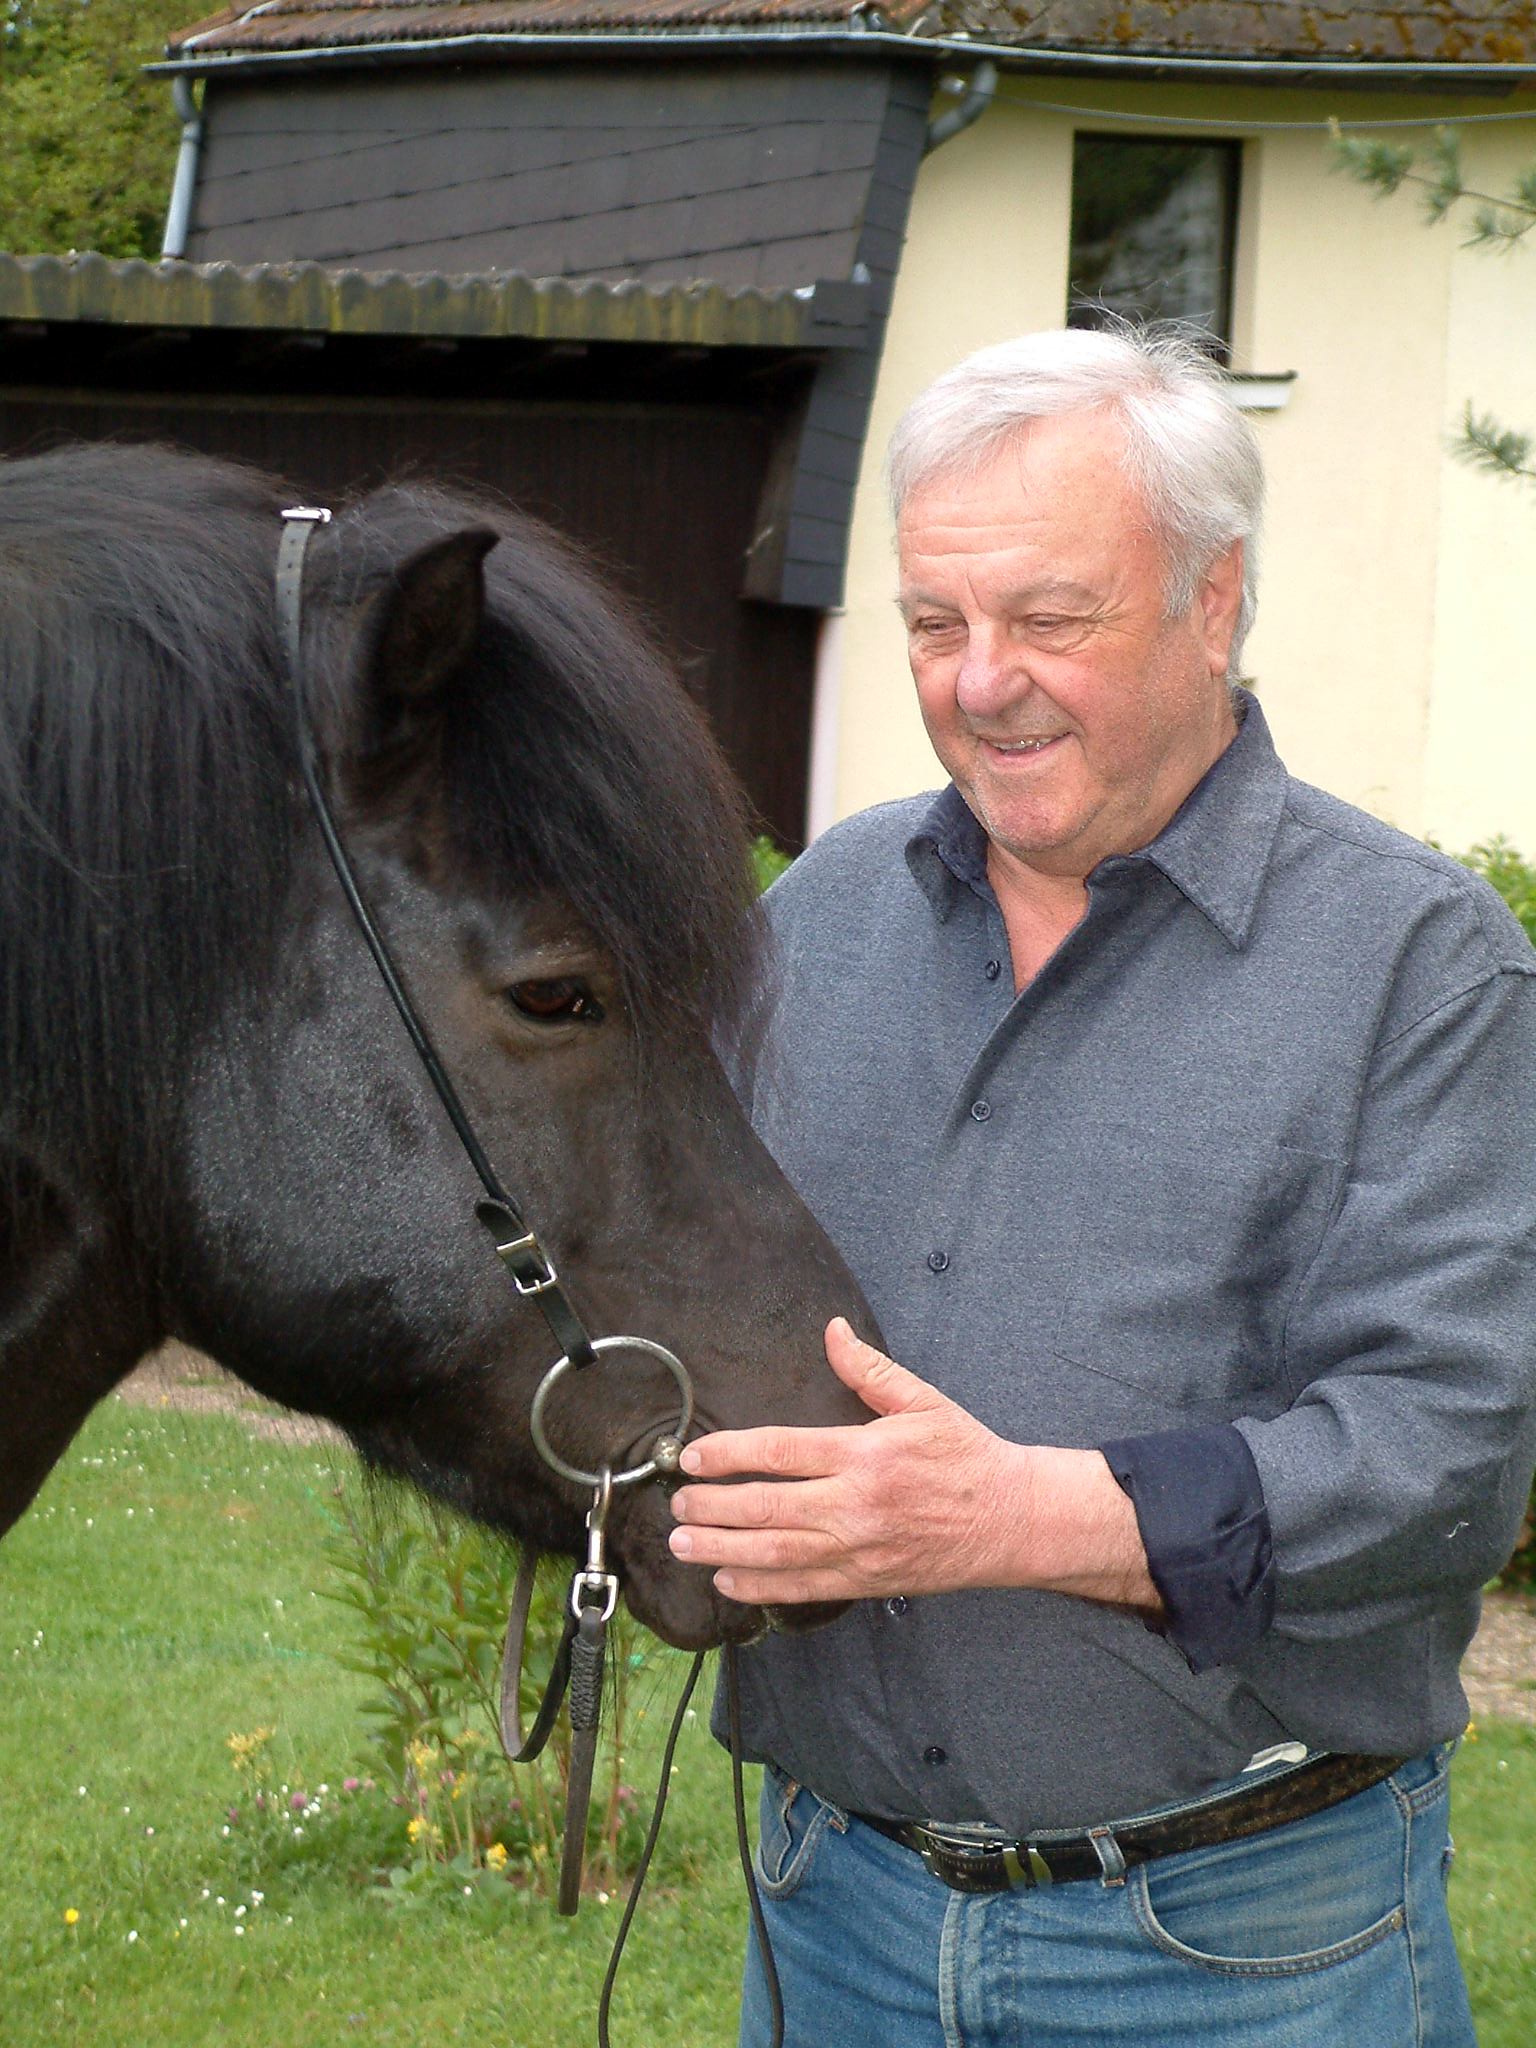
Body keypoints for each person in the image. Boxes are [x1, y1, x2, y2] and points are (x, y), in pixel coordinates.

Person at [666, 325, 1536, 2046]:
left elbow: (1449, 1453)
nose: (980, 679)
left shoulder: (1417, 966)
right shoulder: (817, 918)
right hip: (827, 1910)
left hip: (1236, 1947)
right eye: (934, 622)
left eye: (1049, 619)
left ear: (1214, 604)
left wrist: (1014, 1518)